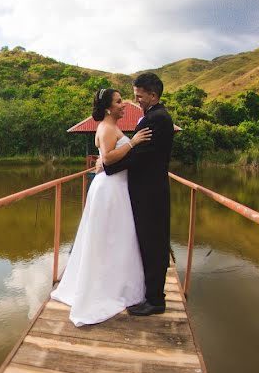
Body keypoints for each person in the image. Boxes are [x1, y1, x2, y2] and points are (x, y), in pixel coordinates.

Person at [51, 88, 152, 325]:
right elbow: (107, 159)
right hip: (109, 189)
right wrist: (134, 142)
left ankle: (116, 282)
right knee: (108, 238)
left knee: (117, 238)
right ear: (108, 108)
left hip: (116, 188)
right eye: (118, 102)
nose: (123, 105)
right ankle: (103, 288)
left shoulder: (113, 127)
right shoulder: (106, 128)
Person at [101, 72, 175, 316]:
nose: (136, 101)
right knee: (149, 241)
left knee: (153, 244)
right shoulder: (155, 117)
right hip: (150, 190)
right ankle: (151, 294)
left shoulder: (156, 119)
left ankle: (155, 300)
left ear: (152, 95)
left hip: (150, 193)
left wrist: (110, 166)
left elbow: (140, 156)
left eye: (139, 96)